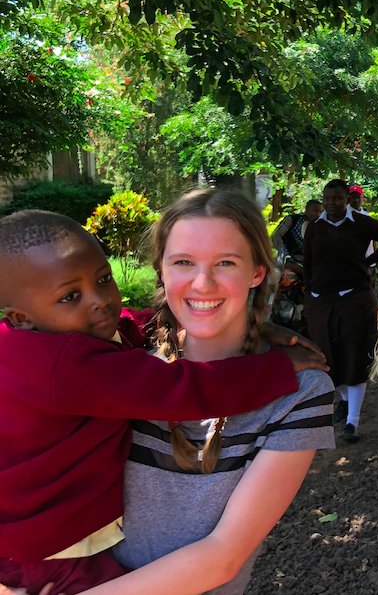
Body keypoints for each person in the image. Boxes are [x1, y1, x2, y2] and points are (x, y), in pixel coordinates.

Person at [0, 210, 327, 595]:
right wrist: (274, 369)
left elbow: (131, 325)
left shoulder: (44, 341)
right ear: (21, 318)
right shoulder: (61, 364)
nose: (100, 301)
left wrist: (254, 325)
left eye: (104, 279)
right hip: (47, 552)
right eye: (71, 296)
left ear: (257, 271)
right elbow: (181, 390)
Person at [304, 179, 378, 443]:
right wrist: (309, 296)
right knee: (329, 359)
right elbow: (308, 264)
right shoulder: (315, 227)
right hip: (321, 301)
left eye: (337, 199)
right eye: (327, 198)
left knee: (355, 357)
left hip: (355, 299)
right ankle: (345, 400)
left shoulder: (360, 223)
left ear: (347, 199)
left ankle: (352, 422)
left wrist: (368, 261)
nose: (331, 203)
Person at [349, 184, 378, 283]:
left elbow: (373, 240)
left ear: (363, 198)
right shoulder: (344, 215)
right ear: (348, 199)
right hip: (353, 265)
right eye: (353, 197)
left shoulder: (366, 216)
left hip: (369, 263)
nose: (356, 200)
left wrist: (377, 262)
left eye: (358, 197)